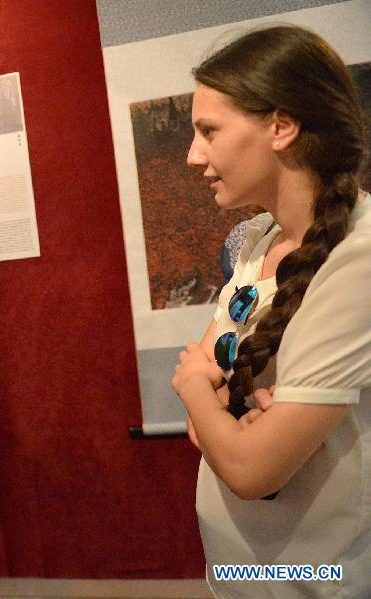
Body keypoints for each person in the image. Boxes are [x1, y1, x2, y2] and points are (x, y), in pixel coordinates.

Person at [170, 26, 369, 596]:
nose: (193, 154)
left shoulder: (357, 262)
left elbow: (252, 471)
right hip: (239, 569)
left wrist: (192, 388)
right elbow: (209, 433)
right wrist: (223, 424)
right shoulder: (258, 240)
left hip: (312, 577)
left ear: (281, 126)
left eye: (209, 130)